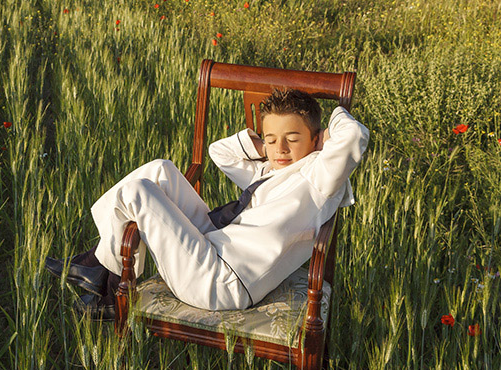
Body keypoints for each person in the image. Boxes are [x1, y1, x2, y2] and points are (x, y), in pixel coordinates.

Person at [45, 88, 370, 321]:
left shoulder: (319, 178)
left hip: (221, 283)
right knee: (159, 170)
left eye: (293, 139)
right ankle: (98, 267)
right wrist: (263, 147)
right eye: (272, 139)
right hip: (211, 249)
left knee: (137, 191)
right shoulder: (270, 171)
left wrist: (333, 122)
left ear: (315, 139)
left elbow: (354, 135)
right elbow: (220, 152)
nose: (281, 148)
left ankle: (107, 283)